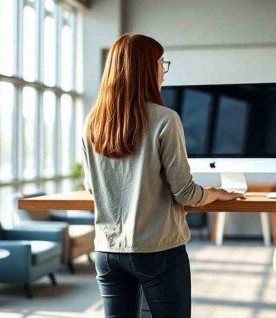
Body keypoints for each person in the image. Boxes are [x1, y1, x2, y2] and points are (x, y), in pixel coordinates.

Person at [81, 33, 244, 317]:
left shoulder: (93, 122)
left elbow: (92, 188)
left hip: (108, 252)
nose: (163, 70)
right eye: (160, 62)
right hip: (157, 251)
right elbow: (185, 193)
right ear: (145, 68)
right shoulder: (165, 119)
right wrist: (217, 192)